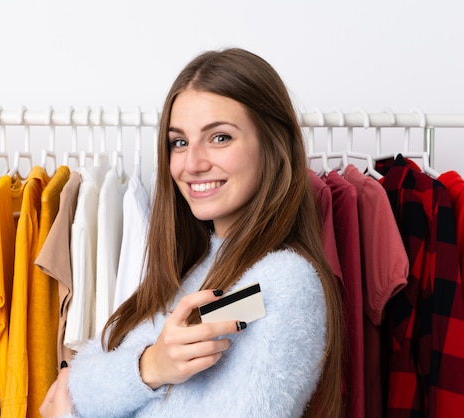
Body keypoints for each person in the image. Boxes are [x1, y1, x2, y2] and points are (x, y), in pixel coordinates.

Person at [41, 48, 344, 418]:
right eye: (179, 142)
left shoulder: (276, 283)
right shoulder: (196, 265)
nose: (193, 164)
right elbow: (80, 382)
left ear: (273, 146)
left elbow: (77, 395)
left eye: (219, 138)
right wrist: (149, 367)